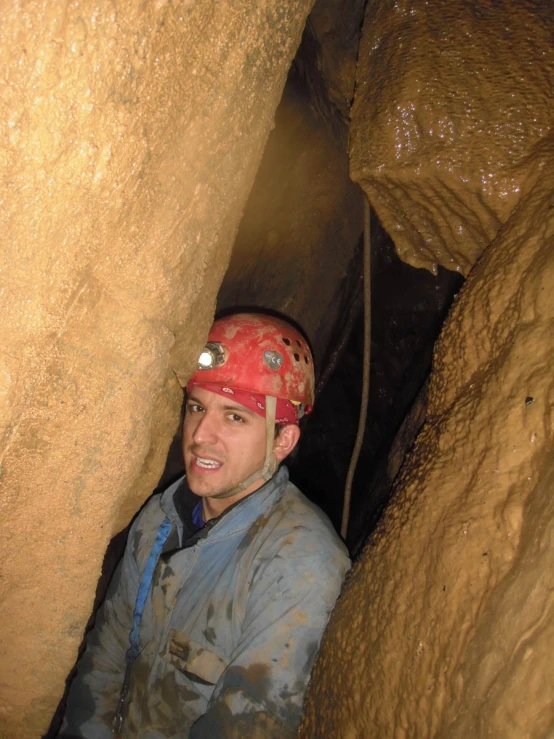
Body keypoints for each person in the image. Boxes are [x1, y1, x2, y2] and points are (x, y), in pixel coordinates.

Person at [61, 312, 350, 738]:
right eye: (197, 407)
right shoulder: (160, 517)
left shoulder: (300, 563)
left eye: (235, 417)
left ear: (282, 440)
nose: (200, 434)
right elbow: (106, 656)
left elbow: (249, 724)